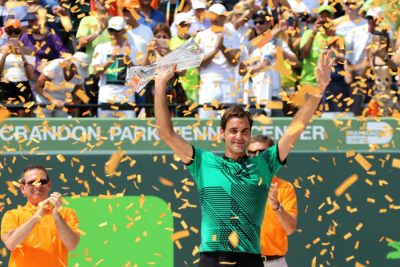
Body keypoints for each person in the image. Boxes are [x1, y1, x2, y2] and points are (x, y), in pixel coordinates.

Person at [154, 42, 332, 266]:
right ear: (222, 134)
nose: (239, 136)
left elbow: (297, 126)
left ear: (250, 135)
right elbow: (165, 133)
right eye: (233, 131)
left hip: (250, 259)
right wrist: (160, 82)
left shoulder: (264, 163)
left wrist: (319, 89)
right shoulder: (203, 162)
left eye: (244, 131)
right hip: (212, 258)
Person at [0, 164, 80, 267]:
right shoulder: (12, 215)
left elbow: (72, 245)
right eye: (32, 182)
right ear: (23, 188)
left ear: (49, 185)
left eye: (42, 181)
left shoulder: (66, 213)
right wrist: (37, 215)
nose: (38, 185)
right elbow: (11, 243)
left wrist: (56, 214)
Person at [248, 135, 298, 267]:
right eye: (252, 152)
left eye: (263, 153)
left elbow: (290, 228)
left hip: (275, 263)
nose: (257, 156)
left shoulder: (285, 188)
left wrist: (276, 205)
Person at [92, 16, 136, 118]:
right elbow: (95, 72)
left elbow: (138, 74)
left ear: (124, 31)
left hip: (127, 97)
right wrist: (111, 58)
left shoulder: (133, 49)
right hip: (106, 96)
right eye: (111, 30)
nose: (114, 33)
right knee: (105, 131)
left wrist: (127, 58)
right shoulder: (101, 48)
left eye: (117, 30)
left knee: (129, 130)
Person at [34, 52, 90, 117]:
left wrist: (73, 108)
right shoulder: (54, 67)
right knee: (43, 126)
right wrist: (53, 100)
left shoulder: (79, 76)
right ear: (72, 64)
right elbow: (37, 87)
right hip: (43, 101)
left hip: (62, 104)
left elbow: (78, 96)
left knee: (62, 125)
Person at [0, 19, 35, 117]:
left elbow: (30, 76)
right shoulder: (1, 50)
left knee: (24, 119)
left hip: (23, 85)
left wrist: (22, 56)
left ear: (21, 32)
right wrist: (3, 56)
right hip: (5, 86)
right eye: (10, 31)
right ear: (6, 32)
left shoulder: (28, 51)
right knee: (5, 119)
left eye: (16, 31)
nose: (13, 34)